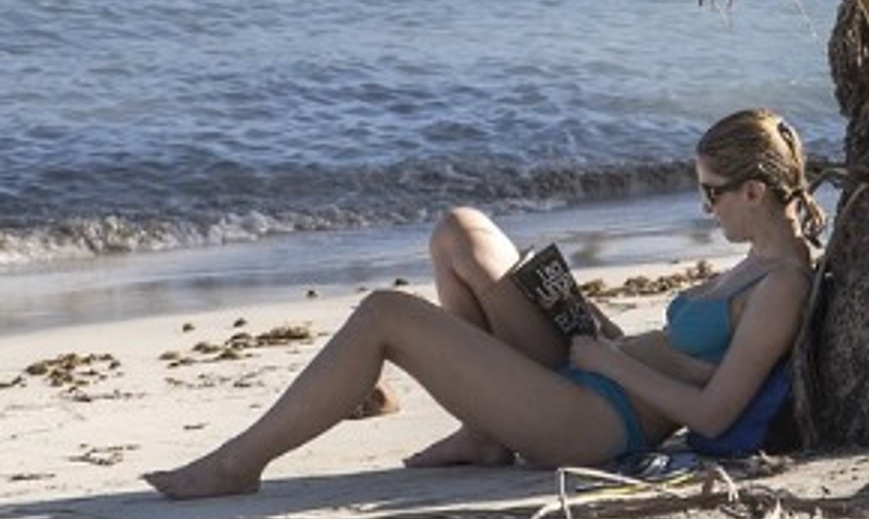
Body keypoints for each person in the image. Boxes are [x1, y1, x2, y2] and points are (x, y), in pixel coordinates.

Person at [145, 108, 825, 500]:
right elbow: (686, 356)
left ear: (755, 193)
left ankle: (238, 465)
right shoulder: (760, 258)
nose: (704, 207)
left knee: (387, 313)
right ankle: (485, 434)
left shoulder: (782, 285)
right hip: (599, 369)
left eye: (711, 192)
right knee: (460, 231)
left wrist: (610, 363)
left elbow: (713, 412)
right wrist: (601, 334)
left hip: (597, 421)